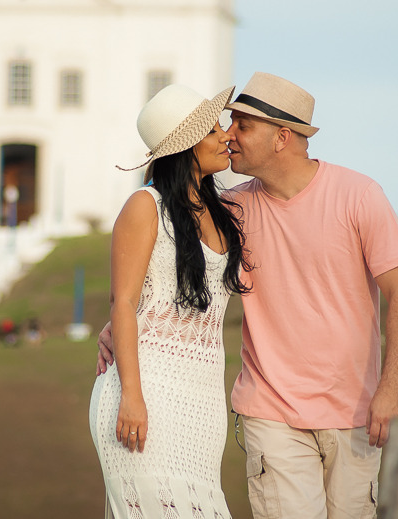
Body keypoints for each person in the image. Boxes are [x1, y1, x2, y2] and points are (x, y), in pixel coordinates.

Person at [99, 72, 398, 519]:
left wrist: (392, 387)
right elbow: (162, 262)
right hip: (270, 414)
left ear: (281, 137)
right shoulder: (231, 208)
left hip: (355, 413)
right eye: (224, 124)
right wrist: (121, 319)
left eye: (242, 125)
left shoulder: (359, 196)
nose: (230, 134)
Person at [89, 83, 253, 518]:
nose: (226, 135)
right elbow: (123, 303)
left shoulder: (222, 211)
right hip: (145, 395)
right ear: (185, 146)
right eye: (213, 130)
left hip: (203, 401)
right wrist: (131, 397)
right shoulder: (145, 205)